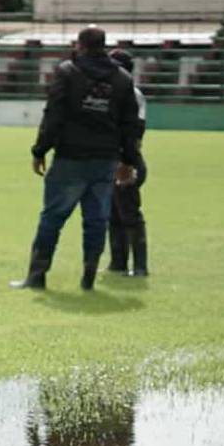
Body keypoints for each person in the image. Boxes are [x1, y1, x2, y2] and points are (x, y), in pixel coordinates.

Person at [11, 26, 140, 291]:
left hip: (70, 156)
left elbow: (54, 114)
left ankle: (37, 276)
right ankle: (88, 278)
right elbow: (130, 125)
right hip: (105, 159)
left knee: (52, 218)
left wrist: (39, 150)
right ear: (104, 45)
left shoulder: (67, 72)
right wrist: (128, 161)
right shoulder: (123, 79)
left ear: (79, 45)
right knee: (95, 221)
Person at [105, 49, 149, 276]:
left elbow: (135, 133)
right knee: (114, 214)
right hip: (113, 160)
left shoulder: (132, 94)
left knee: (130, 215)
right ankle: (118, 262)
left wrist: (127, 164)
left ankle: (140, 266)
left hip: (126, 161)